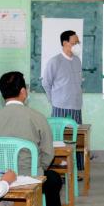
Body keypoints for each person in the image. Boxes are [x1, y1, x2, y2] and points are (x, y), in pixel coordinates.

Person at [0, 71, 64, 206]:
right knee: (54, 178)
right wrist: (37, 170)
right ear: (23, 91)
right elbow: (48, 153)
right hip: (30, 176)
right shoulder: (37, 117)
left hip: (0, 177)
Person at [42, 30, 84, 171]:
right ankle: (58, 169)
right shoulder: (55, 61)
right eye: (74, 42)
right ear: (65, 43)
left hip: (76, 106)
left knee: (76, 138)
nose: (77, 45)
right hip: (60, 107)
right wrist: (53, 100)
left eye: (78, 42)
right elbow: (46, 83)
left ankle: (77, 169)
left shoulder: (77, 60)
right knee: (58, 139)